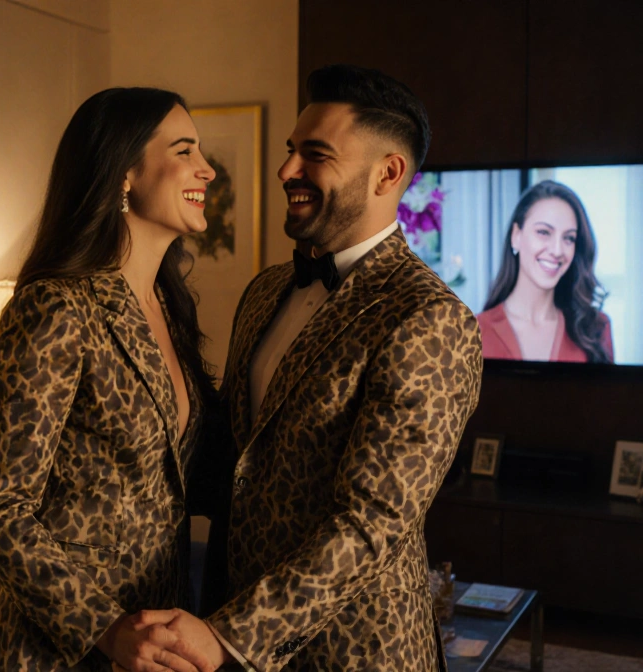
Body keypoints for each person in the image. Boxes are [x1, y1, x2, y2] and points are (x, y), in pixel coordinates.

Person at [129, 64, 484, 671]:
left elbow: (372, 522)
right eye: (292, 150)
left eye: (314, 154)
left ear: (388, 173)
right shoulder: (266, 290)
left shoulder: (431, 319)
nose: (287, 170)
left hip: (353, 651)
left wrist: (230, 636)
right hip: (225, 618)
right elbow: (228, 456)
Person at [0, 87, 224, 672]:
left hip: (156, 638)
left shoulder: (170, 309)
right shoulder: (56, 307)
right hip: (53, 650)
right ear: (124, 171)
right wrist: (102, 627)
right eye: (185, 150)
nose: (206, 169)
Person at [477, 180, 613, 363]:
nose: (557, 251)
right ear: (516, 236)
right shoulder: (472, 332)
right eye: (543, 232)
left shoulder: (595, 329)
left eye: (569, 238)